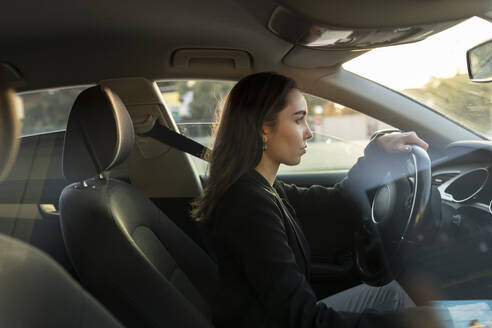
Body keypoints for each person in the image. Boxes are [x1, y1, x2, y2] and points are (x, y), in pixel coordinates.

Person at [191, 72, 432, 328]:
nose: (309, 133)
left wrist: (377, 152)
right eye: (298, 120)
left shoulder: (264, 188)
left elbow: (338, 202)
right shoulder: (249, 204)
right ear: (264, 128)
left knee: (391, 294)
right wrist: (411, 323)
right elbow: (301, 320)